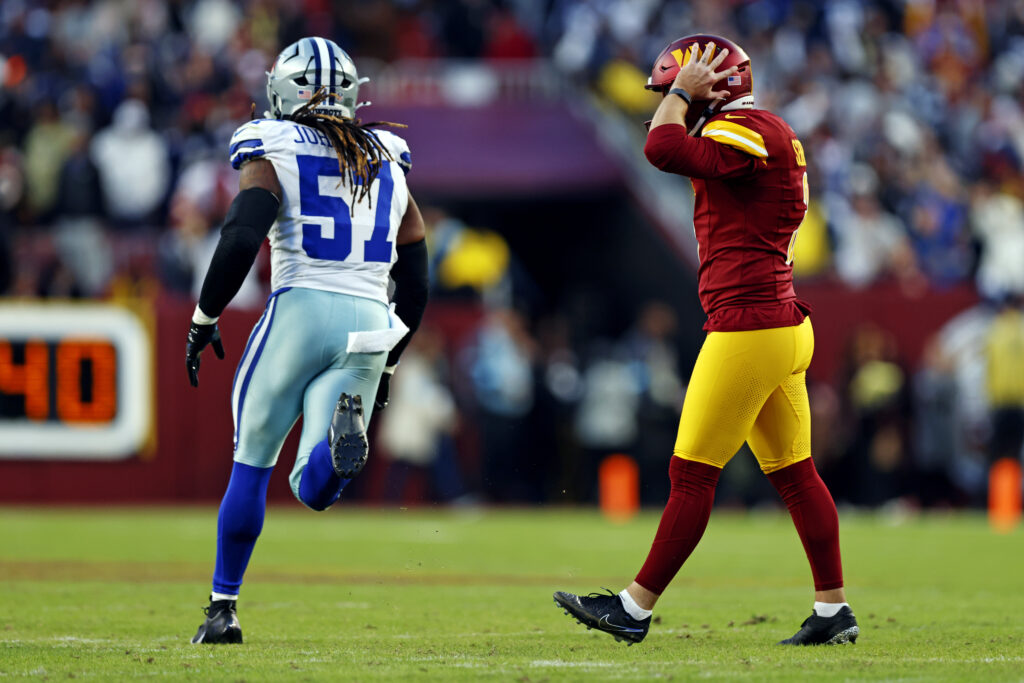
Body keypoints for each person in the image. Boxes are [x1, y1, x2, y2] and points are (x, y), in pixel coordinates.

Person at [554, 34, 858, 647]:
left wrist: (681, 98)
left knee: (690, 474)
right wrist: (684, 101)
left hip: (751, 325)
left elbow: (661, 148)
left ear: (715, 86)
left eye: (676, 87)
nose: (668, 99)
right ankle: (833, 612)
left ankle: (633, 609)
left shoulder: (749, 129)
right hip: (777, 322)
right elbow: (679, 145)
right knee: (796, 475)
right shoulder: (763, 130)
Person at [184, 37, 429, 644]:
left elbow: (244, 233)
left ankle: (223, 610)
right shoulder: (388, 152)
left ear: (282, 89)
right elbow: (417, 263)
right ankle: (334, 450)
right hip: (372, 315)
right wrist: (392, 355)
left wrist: (204, 315)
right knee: (313, 486)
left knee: (252, 463)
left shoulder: (271, 142)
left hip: (301, 307)